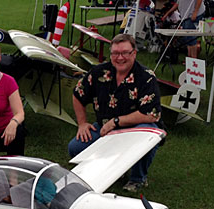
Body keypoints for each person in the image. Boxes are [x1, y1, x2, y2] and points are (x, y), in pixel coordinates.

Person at [68, 34, 162, 192]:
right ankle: (109, 170)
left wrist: (116, 121)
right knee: (76, 147)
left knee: (148, 135)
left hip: (136, 128)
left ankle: (137, 178)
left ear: (134, 53)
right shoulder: (98, 72)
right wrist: (82, 123)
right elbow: (78, 94)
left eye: (125, 53)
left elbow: (151, 114)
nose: (120, 58)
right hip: (105, 128)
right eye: (115, 53)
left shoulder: (146, 77)